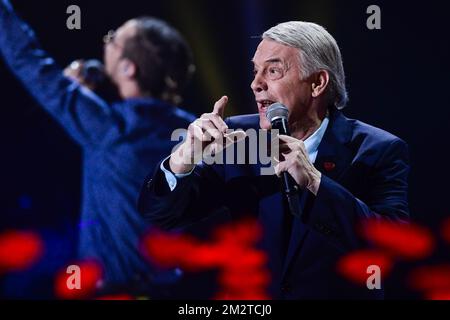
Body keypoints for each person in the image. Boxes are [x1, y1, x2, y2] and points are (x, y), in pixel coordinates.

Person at [138, 21, 410, 299]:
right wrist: (185, 156)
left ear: (317, 83)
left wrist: (316, 183)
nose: (255, 84)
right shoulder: (239, 139)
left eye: (273, 70)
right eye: (256, 71)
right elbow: (160, 216)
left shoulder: (377, 149)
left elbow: (392, 247)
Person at [0, 0, 196, 296]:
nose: (106, 43)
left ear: (129, 68)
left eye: (114, 41)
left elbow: (27, 59)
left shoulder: (111, 129)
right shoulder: (194, 133)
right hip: (176, 289)